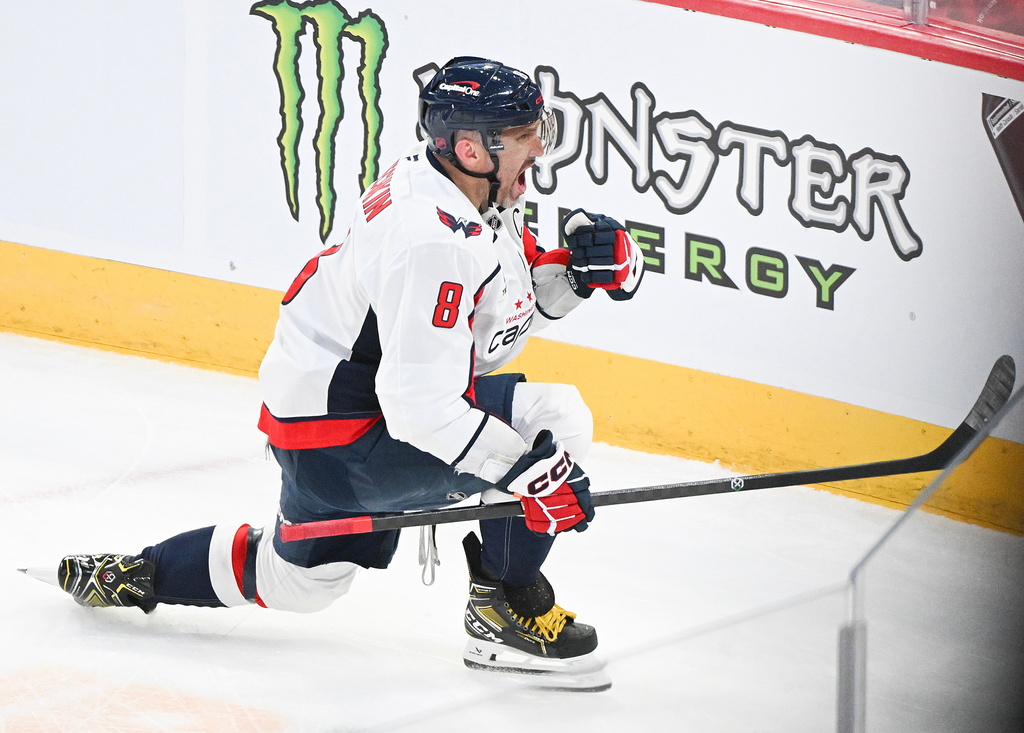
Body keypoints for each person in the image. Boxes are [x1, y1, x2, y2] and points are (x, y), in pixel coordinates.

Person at [55, 56, 643, 688]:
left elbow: (483, 335)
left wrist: (576, 281)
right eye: (524, 136)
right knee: (552, 421)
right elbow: (422, 405)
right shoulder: (433, 239)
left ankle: (141, 573)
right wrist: (527, 472)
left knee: (298, 584)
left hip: (322, 424)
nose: (538, 148)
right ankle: (507, 612)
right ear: (471, 147)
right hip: (351, 440)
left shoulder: (452, 186)